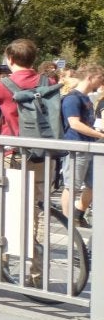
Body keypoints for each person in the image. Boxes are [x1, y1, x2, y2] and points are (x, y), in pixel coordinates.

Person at [60, 64, 104, 227]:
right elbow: (74, 124)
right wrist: (100, 135)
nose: (102, 81)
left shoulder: (85, 97)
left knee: (95, 183)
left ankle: (77, 213)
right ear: (90, 77)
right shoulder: (72, 98)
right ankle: (67, 221)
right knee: (71, 186)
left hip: (88, 145)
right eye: (100, 77)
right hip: (76, 147)